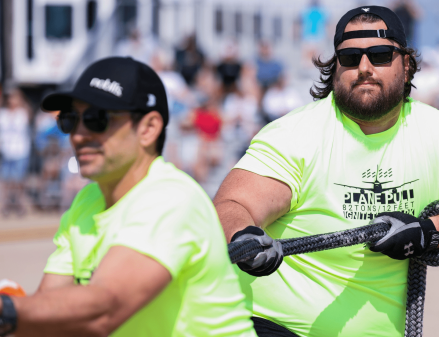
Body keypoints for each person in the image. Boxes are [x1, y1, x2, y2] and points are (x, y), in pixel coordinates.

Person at [213, 6, 439, 337]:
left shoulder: (434, 130)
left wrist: (429, 233)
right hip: (274, 327)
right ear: (335, 67)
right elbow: (233, 206)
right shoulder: (295, 133)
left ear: (406, 66)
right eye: (351, 58)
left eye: (380, 55)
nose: (364, 68)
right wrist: (243, 236)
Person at [0, 57, 256, 337]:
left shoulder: (170, 198)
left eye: (98, 119)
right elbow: (47, 319)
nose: (78, 135)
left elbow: (104, 309)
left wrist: (9, 309)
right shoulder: (88, 199)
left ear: (148, 129)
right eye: (71, 119)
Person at [0, 88, 32, 217]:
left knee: (18, 181)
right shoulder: (3, 113)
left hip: (20, 151)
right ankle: (5, 206)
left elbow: (28, 115)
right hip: (6, 151)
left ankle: (20, 206)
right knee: (5, 181)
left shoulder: (22, 112)